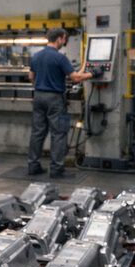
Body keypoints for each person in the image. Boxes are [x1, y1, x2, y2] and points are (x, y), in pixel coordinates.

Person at [27, 27, 98, 178]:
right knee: (59, 133)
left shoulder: (36, 56)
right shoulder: (60, 58)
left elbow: (31, 77)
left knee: (37, 132)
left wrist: (41, 87)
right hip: (54, 99)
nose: (64, 42)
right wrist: (92, 73)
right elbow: (75, 78)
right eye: (64, 39)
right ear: (59, 39)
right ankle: (57, 169)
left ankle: (33, 166)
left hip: (38, 97)